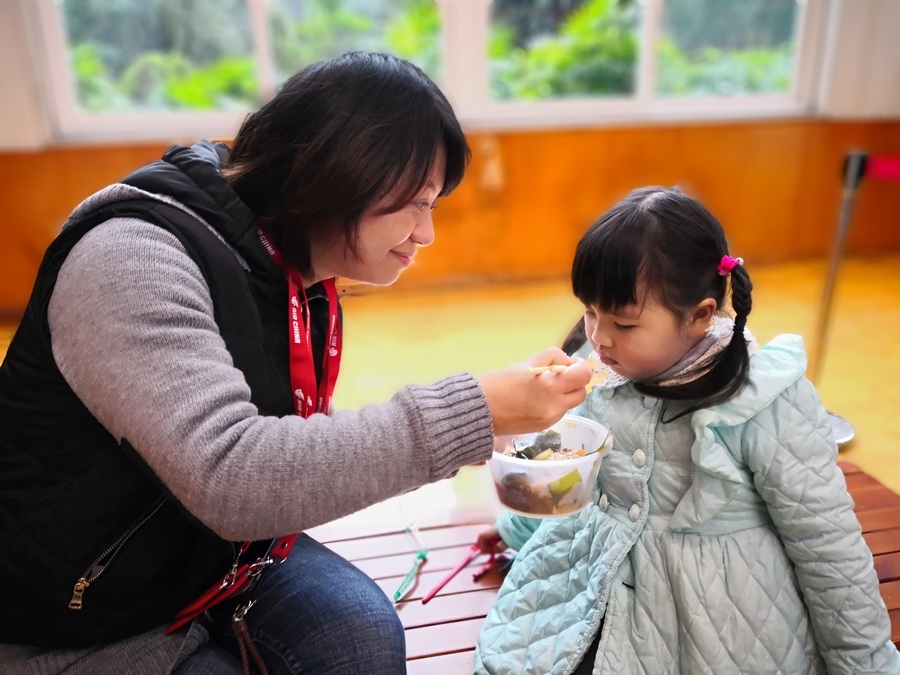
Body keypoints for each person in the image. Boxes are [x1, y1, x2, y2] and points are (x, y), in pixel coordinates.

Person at [0, 51, 592, 674]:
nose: (426, 234)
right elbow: (233, 477)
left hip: (213, 556)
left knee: (360, 637)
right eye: (415, 205)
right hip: (80, 612)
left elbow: (288, 452)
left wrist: (496, 416)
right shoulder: (132, 260)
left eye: (432, 206)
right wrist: (469, 412)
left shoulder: (285, 260)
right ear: (339, 176)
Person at [475, 186, 899, 674]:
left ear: (699, 316)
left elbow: (828, 546)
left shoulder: (763, 401)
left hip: (717, 615)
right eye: (590, 312)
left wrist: (867, 666)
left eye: (624, 323)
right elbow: (576, 475)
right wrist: (514, 526)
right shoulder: (603, 367)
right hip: (594, 574)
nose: (598, 337)